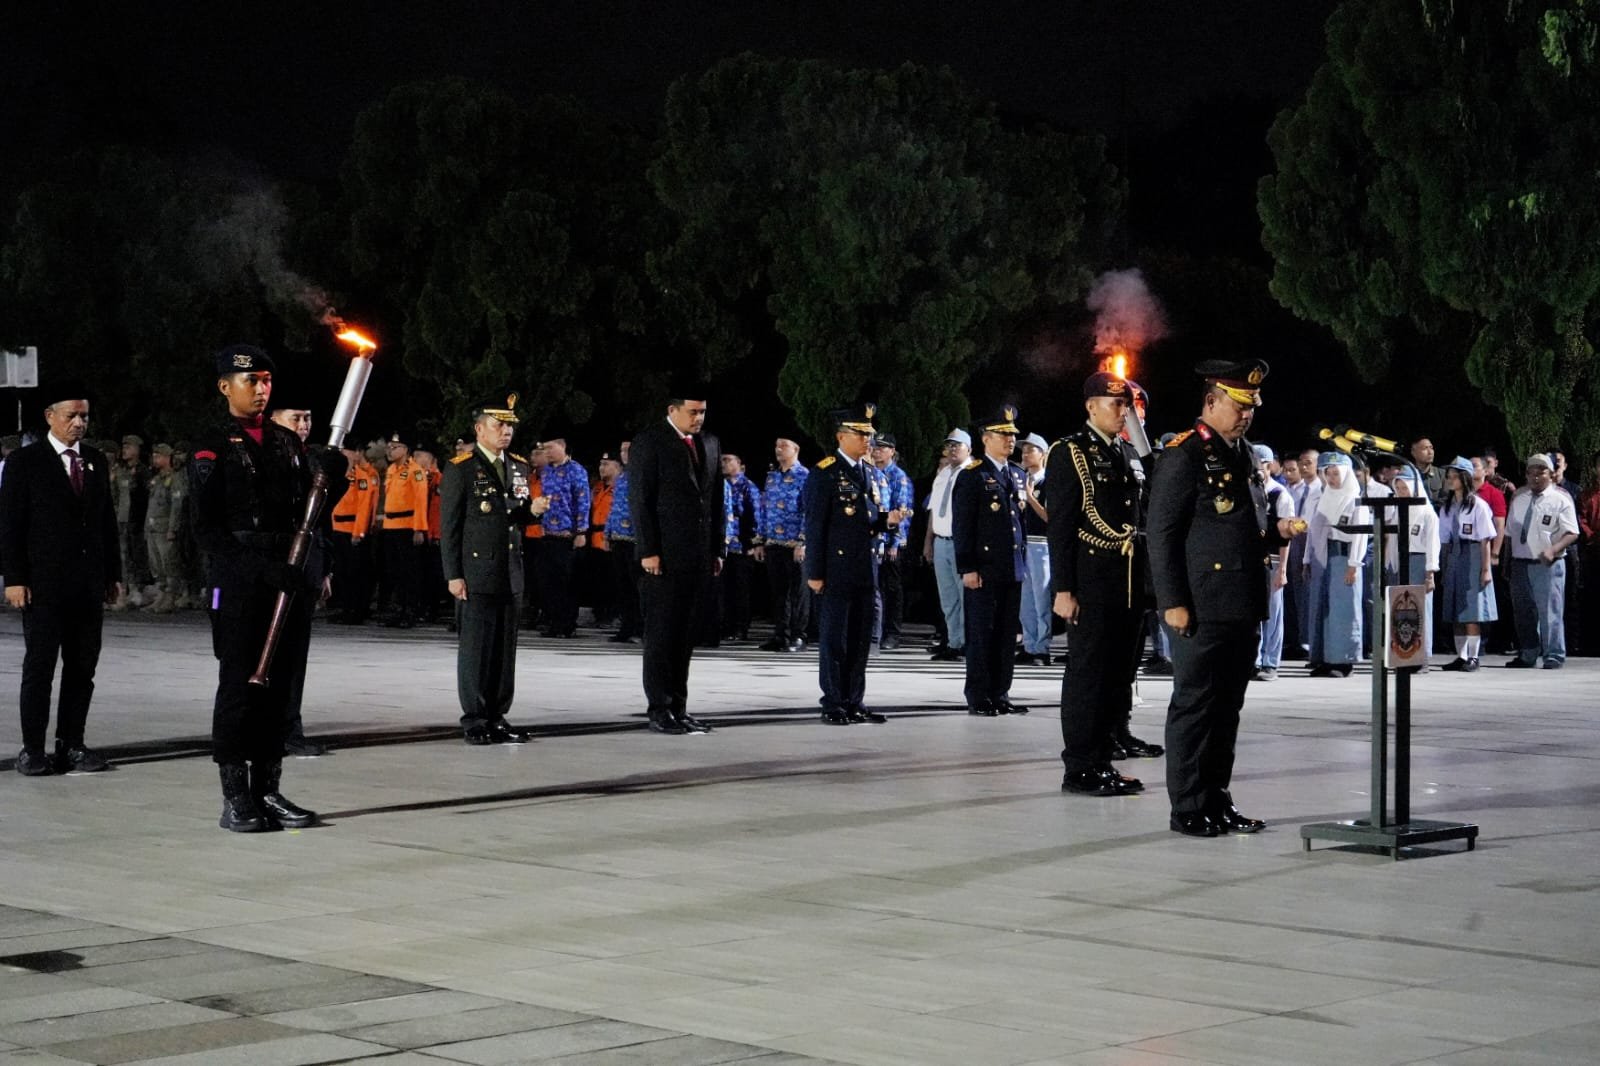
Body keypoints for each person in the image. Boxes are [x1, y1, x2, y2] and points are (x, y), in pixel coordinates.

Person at [1147, 358, 1305, 838]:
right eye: (1238, 405)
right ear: (1211, 402)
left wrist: (1276, 531)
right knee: (1195, 706)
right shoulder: (1184, 454)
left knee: (1226, 709)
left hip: (1241, 600)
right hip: (1201, 601)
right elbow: (1162, 533)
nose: (1247, 414)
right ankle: (1189, 806)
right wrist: (1171, 600)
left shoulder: (1244, 454)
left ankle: (1217, 799)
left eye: (1251, 407)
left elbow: (1241, 526)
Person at [190, 344, 333, 831]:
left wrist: (331, 480)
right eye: (251, 381)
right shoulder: (211, 445)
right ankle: (235, 797)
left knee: (280, 685)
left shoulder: (286, 442)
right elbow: (207, 531)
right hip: (239, 582)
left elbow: (307, 516)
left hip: (287, 575)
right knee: (239, 685)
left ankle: (267, 790)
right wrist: (259, 568)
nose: (261, 389)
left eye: (267, 381)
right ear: (225, 386)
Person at [1, 378, 121, 776]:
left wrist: (112, 574)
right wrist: (15, 577)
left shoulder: (94, 461)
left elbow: (106, 523)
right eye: (72, 415)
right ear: (50, 416)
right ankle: (32, 748)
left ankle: (72, 743)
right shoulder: (25, 462)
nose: (80, 423)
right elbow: (11, 525)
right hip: (43, 584)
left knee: (82, 668)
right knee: (40, 667)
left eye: (85, 416)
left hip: (86, 584)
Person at [1047, 375, 1154, 796]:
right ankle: (1080, 765)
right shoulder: (1070, 451)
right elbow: (1061, 525)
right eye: (1115, 404)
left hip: (1126, 581)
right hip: (1090, 579)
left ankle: (1103, 758)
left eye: (1125, 405)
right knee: (1088, 675)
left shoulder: (1127, 451)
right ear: (1091, 406)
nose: (1122, 411)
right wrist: (1063, 588)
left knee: (1116, 675)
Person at [441, 394, 545, 744]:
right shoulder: (462, 467)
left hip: (510, 568)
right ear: (479, 428)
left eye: (510, 425)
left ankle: (498, 715)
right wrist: (453, 574)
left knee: (504, 648)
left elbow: (513, 513)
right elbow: (451, 526)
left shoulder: (517, 465)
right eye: (499, 425)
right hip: (477, 570)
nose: (506, 431)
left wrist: (533, 511)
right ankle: (474, 717)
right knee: (477, 649)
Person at [803, 404, 909, 724]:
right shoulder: (826, 472)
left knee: (861, 639)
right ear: (841, 436)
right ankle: (833, 702)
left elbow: (868, 520)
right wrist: (815, 572)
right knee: (835, 639)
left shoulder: (871, 473)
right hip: (836, 569)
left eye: (869, 434)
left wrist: (886, 522)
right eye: (860, 434)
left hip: (867, 568)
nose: (867, 440)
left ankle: (854, 701)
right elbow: (815, 526)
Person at [629, 387, 725, 735]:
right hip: (664, 556)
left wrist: (717, 550)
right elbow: (641, 499)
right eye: (692, 412)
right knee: (661, 634)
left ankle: (679, 707)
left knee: (685, 635)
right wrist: (648, 550)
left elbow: (715, 502)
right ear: (672, 410)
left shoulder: (709, 443)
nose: (698, 418)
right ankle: (660, 708)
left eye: (702, 412)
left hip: (697, 555)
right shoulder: (650, 441)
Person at [953, 406, 1029, 717]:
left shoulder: (1017, 474)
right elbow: (963, 525)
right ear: (986, 438)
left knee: (1005, 632)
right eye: (1003, 434)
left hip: (1011, 566)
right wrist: (967, 567)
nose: (1010, 440)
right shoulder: (973, 475)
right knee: (982, 633)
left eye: (1012, 435)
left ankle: (1001, 691)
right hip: (983, 568)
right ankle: (979, 694)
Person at [1504, 453, 1580, 669]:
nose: (1536, 477)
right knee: (1523, 611)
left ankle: (1553, 654)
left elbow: (1572, 532)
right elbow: (1510, 533)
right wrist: (1507, 561)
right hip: (1520, 562)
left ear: (1551, 474)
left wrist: (1553, 549)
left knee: (1550, 611)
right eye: (1532, 473)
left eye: (1541, 472)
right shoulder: (1519, 497)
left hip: (1548, 563)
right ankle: (1528, 652)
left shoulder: (1561, 498)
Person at [1304, 451, 1368, 678]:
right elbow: (1314, 531)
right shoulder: (1324, 497)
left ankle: (1343, 661)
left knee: (1343, 610)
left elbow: (1360, 536)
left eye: (1336, 473)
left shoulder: (1355, 499)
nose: (1332, 479)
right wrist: (1306, 559)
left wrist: (1354, 564)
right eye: (1328, 473)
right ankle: (1323, 657)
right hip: (1323, 557)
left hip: (1344, 558)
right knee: (1322, 608)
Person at [1438, 456, 1498, 671]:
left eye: (1454, 477)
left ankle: (1474, 655)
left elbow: (1485, 540)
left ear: (1464, 478)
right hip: (1455, 553)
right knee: (1455, 608)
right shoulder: (1447, 507)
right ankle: (1460, 655)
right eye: (1449, 477)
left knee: (1471, 608)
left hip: (1472, 553)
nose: (1450, 481)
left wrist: (1485, 569)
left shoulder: (1478, 505)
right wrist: (1444, 567)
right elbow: (1444, 540)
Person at [755, 438, 810, 652]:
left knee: (798, 592)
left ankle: (799, 636)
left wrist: (803, 541)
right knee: (779, 592)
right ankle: (780, 635)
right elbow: (764, 510)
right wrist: (759, 541)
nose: (778, 449)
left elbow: (808, 511)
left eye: (784, 446)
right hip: (773, 542)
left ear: (796, 449)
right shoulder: (772, 477)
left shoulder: (804, 476)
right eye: (776, 446)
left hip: (794, 543)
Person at [1384, 464, 1440, 667]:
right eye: (1397, 489)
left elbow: (1433, 545)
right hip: (1401, 562)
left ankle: (1422, 656)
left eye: (1404, 488)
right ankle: (1403, 654)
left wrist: (1430, 573)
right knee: (1401, 609)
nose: (1401, 492)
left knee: (1420, 609)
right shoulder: (1398, 511)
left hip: (1419, 562)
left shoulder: (1427, 513)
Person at [923, 428, 972, 662]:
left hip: (962, 542)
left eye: (957, 445)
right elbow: (934, 510)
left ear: (969, 449)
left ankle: (967, 644)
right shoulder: (943, 474)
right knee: (948, 597)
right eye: (949, 445)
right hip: (942, 541)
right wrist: (928, 540)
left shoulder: (973, 473)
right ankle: (953, 642)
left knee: (966, 597)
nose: (952, 449)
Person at [535, 437, 590, 638]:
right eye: (544, 448)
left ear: (563, 446)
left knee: (567, 582)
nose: (547, 452)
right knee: (548, 581)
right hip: (548, 532)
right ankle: (553, 621)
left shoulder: (576, 470)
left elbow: (583, 502)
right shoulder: (547, 471)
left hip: (568, 534)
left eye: (550, 447)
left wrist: (581, 531)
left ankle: (567, 624)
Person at [1253, 443, 1296, 681]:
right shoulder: (1249, 489)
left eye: (1260, 464)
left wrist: (1282, 569)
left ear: (1269, 466)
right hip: (1252, 558)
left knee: (1273, 612)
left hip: (1273, 558)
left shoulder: (1280, 494)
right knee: (1254, 612)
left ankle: (1270, 661)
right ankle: (1254, 659)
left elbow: (1285, 535)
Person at [379, 431, 430, 627]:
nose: (390, 451)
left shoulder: (415, 471)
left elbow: (420, 501)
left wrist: (419, 529)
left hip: (407, 526)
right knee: (393, 571)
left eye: (395, 447)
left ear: (406, 450)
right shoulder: (392, 469)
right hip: (391, 525)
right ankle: (397, 609)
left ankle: (410, 611)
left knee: (409, 571)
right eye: (389, 447)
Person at [870, 433, 915, 651]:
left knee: (892, 589)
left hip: (890, 542)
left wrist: (895, 542)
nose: (876, 450)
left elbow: (902, 511)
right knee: (874, 588)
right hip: (873, 541)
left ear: (892, 452)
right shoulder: (869, 472)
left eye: (882, 447)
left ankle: (892, 633)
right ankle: (874, 631)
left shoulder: (898, 477)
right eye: (874, 446)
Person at [328, 440, 378, 624]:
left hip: (352, 531)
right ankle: (345, 607)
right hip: (337, 529)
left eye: (346, 452)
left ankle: (355, 610)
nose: (343, 456)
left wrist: (358, 532)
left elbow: (364, 507)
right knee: (341, 572)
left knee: (354, 572)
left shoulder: (362, 477)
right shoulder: (338, 476)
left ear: (356, 453)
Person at [1016, 432, 1053, 666]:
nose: (1026, 454)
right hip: (1022, 543)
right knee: (1025, 600)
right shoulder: (1020, 479)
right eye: (1024, 450)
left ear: (1043, 454)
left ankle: (1042, 647)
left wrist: (1030, 498)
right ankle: (1029, 644)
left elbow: (1050, 516)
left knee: (1041, 598)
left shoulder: (1049, 481)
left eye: (1031, 450)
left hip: (1041, 544)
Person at [719, 453, 762, 641]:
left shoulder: (747, 486)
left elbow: (756, 514)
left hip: (742, 544)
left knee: (741, 589)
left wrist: (755, 541)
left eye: (728, 460)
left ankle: (740, 627)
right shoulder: (720, 485)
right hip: (724, 546)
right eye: (722, 460)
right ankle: (725, 625)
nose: (724, 464)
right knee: (724, 588)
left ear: (740, 465)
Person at [604, 442, 642, 643]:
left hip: (636, 538)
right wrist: (608, 532)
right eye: (622, 451)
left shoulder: (644, 473)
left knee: (638, 587)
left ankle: (639, 628)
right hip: (618, 537)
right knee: (623, 586)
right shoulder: (623, 477)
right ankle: (626, 628)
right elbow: (615, 507)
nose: (624, 454)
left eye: (628, 450)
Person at [109, 433, 150, 609]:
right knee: (123, 557)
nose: (125, 450)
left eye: (128, 447)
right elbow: (116, 497)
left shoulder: (143, 471)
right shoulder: (121, 471)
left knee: (136, 555)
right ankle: (123, 591)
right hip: (122, 519)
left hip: (137, 520)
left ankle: (137, 590)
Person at [143, 444, 182, 613]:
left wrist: (172, 528)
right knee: (156, 565)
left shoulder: (174, 478)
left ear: (168, 458)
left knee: (168, 564)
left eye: (158, 456)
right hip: (153, 528)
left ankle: (170, 597)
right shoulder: (157, 478)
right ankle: (161, 595)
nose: (155, 459)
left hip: (164, 528)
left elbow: (177, 505)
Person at [1409, 434, 1446, 506]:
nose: (1430, 452)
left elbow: (1446, 499)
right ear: (1413, 453)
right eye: (1425, 448)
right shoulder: (1409, 475)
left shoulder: (1442, 474)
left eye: (1431, 448)